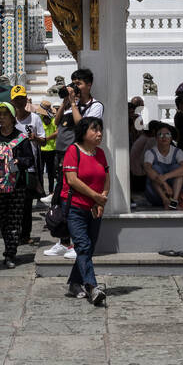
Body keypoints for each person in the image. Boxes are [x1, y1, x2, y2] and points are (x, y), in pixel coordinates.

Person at [44, 69, 103, 260]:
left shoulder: (96, 106)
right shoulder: (71, 105)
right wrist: (65, 103)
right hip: (66, 156)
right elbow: (56, 121)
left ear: (89, 85)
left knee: (78, 200)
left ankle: (77, 244)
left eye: (79, 83)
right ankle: (63, 241)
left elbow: (83, 127)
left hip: (84, 157)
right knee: (62, 198)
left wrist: (75, 104)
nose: (76, 87)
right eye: (74, 83)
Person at [61, 116, 109, 306]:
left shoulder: (100, 153)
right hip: (75, 207)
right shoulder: (73, 151)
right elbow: (72, 180)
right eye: (94, 130)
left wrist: (102, 198)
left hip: (95, 208)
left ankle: (74, 283)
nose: (99, 134)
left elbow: (106, 177)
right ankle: (91, 286)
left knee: (88, 247)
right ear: (83, 133)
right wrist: (95, 196)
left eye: (100, 130)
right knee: (83, 245)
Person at [0, 102, 36, 267]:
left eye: (5, 114)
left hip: (17, 185)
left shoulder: (20, 138)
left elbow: (30, 160)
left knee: (14, 220)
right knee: (2, 219)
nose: (1, 117)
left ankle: (10, 254)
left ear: (12, 118)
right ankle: (9, 248)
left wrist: (18, 161)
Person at [11, 85, 43, 244]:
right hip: (13, 165)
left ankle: (25, 233)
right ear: (12, 101)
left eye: (22, 98)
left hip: (30, 166)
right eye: (17, 99)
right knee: (13, 201)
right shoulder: (10, 119)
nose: (20, 102)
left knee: (26, 202)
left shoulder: (35, 118)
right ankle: (14, 232)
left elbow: (43, 140)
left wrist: (35, 138)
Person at [144, 124, 183, 208]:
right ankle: (165, 200)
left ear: (171, 138)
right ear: (156, 138)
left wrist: (165, 177)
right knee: (154, 170)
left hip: (175, 193)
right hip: (156, 195)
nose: (164, 137)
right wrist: (164, 184)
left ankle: (174, 202)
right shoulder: (150, 152)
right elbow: (147, 169)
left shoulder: (178, 152)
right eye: (160, 134)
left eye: (167, 134)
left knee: (178, 169)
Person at [130, 118, 161, 196]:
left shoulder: (143, 137)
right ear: (154, 131)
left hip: (135, 172)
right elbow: (144, 159)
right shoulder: (151, 140)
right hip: (140, 175)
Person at [38, 100, 58, 195]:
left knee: (51, 173)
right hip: (41, 150)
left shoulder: (54, 120)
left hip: (51, 150)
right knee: (40, 172)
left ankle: (51, 192)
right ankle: (41, 192)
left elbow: (57, 132)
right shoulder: (40, 119)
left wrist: (47, 138)